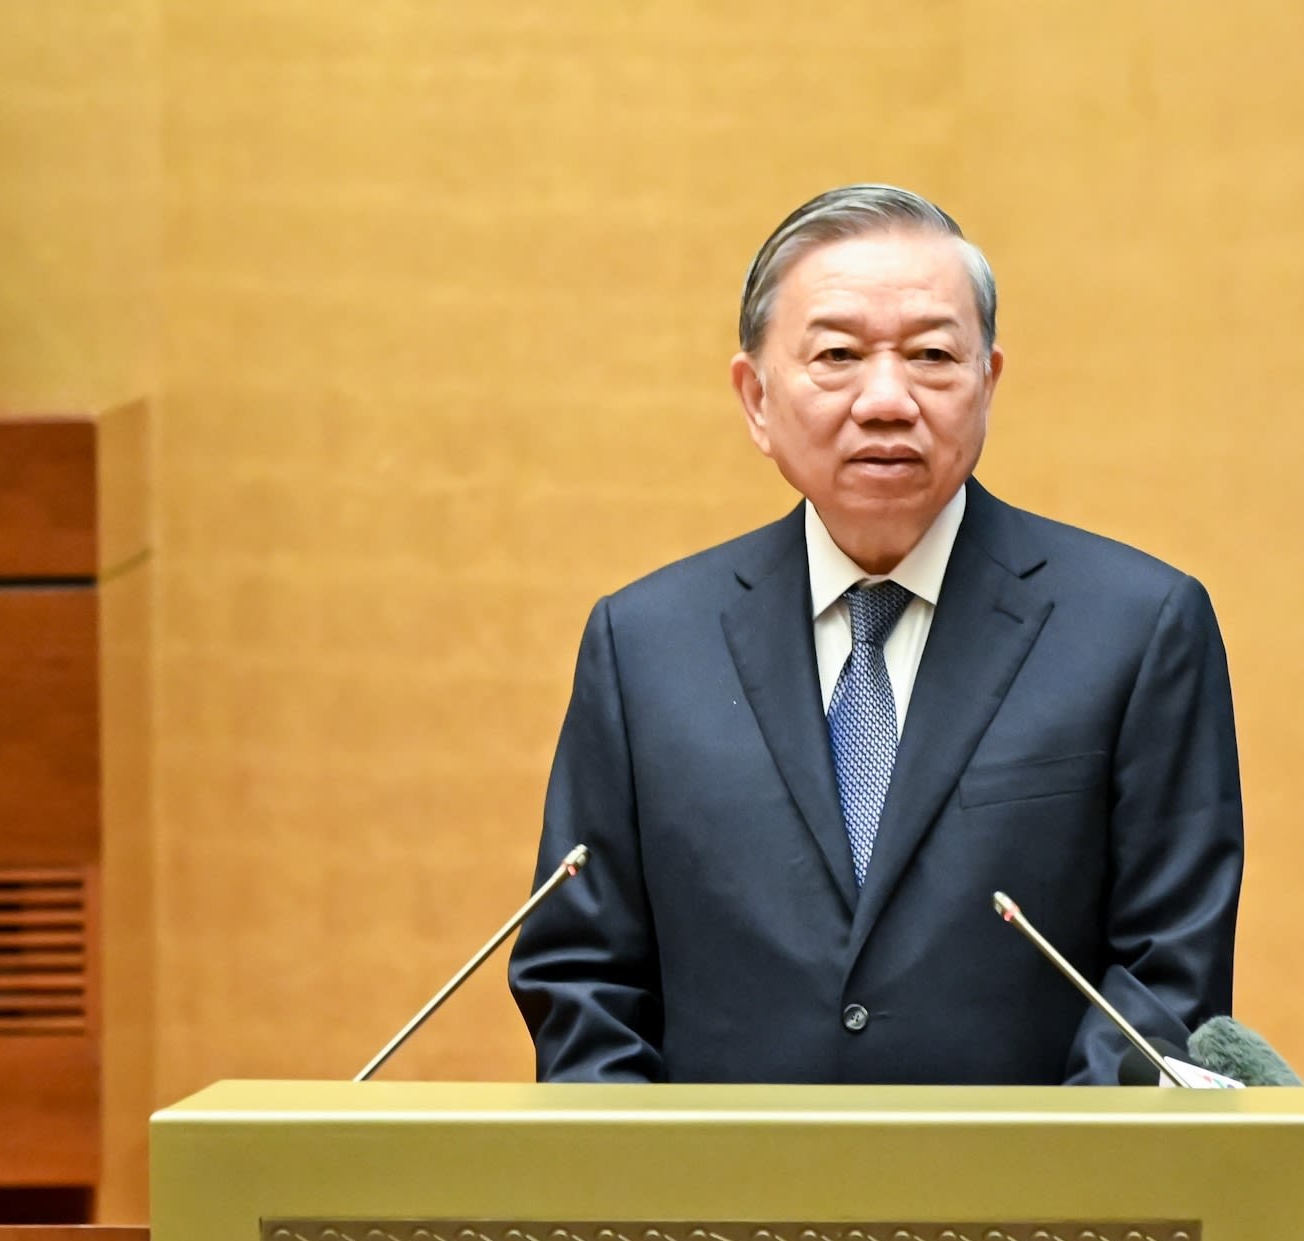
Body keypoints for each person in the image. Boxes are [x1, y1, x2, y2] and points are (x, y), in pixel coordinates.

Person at [509, 184, 1242, 1085]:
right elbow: (583, 979)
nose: (888, 400)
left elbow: (1166, 979)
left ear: (987, 384)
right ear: (755, 398)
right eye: (838, 355)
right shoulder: (645, 647)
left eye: (932, 355)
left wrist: (1052, 1166)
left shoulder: (1138, 629)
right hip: (723, 1180)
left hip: (1029, 1178)